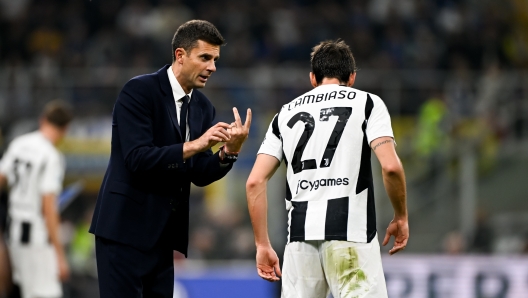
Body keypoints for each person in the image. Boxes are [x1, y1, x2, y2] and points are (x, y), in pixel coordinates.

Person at [89, 20, 251, 297]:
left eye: (215, 59)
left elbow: (199, 172)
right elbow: (137, 159)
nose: (212, 67)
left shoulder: (202, 106)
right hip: (123, 231)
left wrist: (229, 152)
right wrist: (195, 145)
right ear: (180, 55)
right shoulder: (139, 91)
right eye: (205, 58)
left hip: (163, 236)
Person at [246, 40, 408, 298]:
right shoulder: (368, 103)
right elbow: (390, 167)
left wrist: (262, 244)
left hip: (299, 237)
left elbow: (254, 182)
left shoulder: (284, 114)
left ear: (313, 78)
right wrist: (400, 216)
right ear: (352, 77)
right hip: (351, 233)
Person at [0, 100, 73, 298]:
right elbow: (48, 207)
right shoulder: (51, 156)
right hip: (36, 236)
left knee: (28, 292)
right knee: (47, 293)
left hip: (14, 232)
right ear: (65, 129)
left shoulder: (19, 143)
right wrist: (59, 255)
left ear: (43, 120)